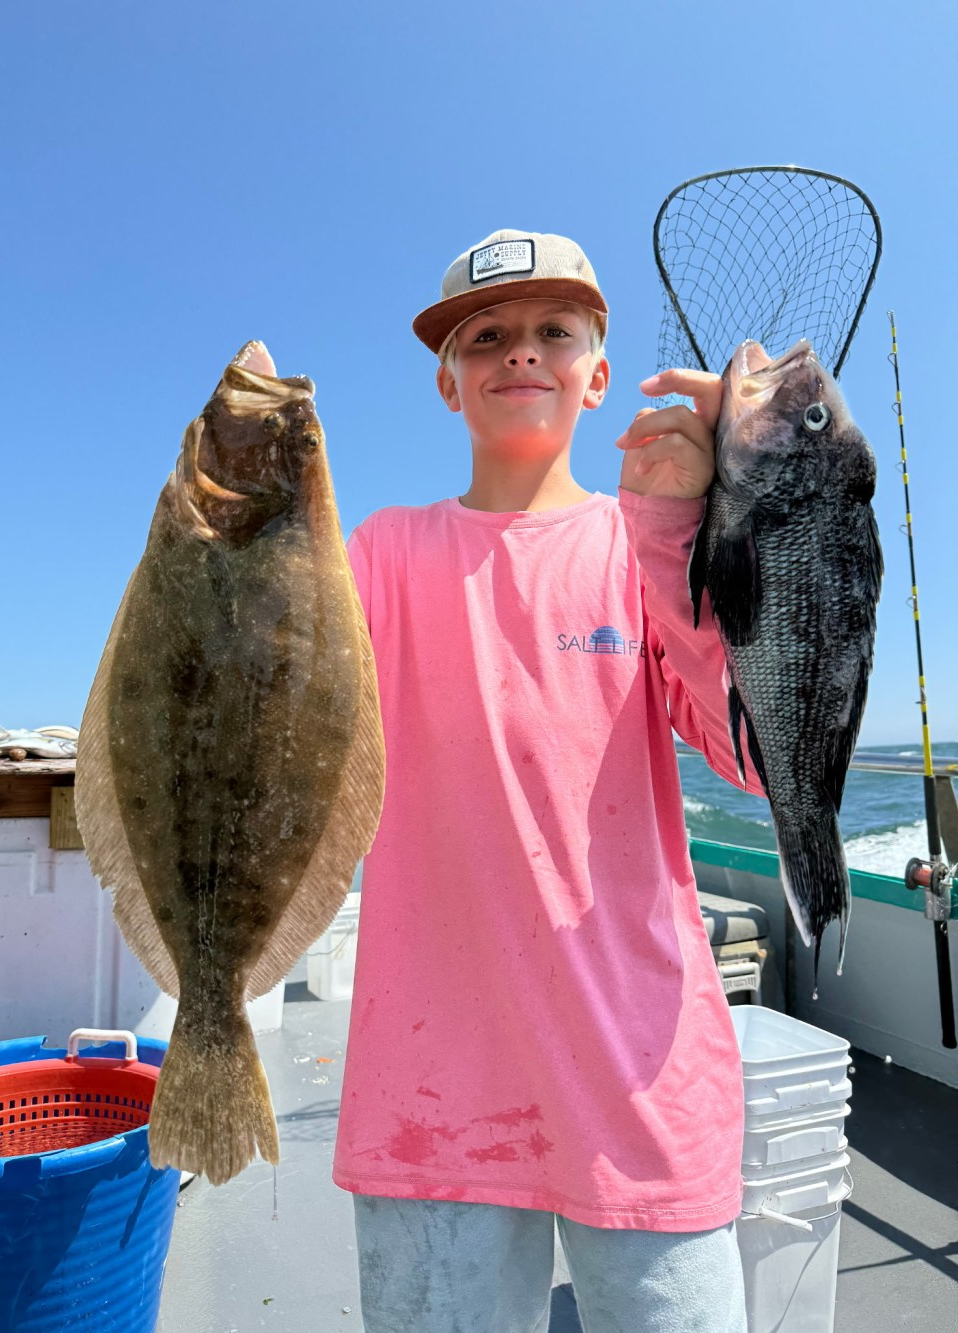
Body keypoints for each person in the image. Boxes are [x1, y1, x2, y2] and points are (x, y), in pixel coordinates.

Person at [332, 228, 759, 1332]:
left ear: (599, 372)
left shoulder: (645, 538)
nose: (519, 354)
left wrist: (696, 523)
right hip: (430, 1097)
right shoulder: (377, 553)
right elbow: (282, 720)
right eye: (485, 338)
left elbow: (750, 756)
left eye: (552, 332)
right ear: (446, 381)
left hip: (640, 1085)